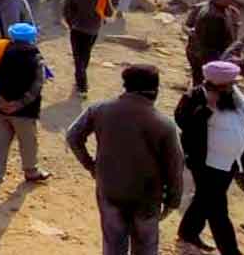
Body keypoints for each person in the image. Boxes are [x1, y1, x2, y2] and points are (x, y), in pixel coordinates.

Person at [65, 65, 184, 255]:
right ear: (155, 90)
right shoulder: (164, 124)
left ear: (125, 86)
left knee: (113, 245)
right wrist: (173, 200)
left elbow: (73, 136)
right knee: (145, 248)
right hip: (147, 198)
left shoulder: (99, 109)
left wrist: (91, 166)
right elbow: (175, 166)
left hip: (110, 189)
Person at [174, 61, 244, 255]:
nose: (234, 85)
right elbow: (184, 122)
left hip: (230, 162)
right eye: (231, 83)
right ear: (218, 84)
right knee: (218, 210)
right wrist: (208, 109)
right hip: (207, 164)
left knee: (204, 200)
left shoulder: (233, 96)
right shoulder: (195, 96)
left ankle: (188, 233)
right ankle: (230, 251)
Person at [0, 22, 52, 192]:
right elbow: (37, 86)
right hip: (24, 112)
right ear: (32, 38)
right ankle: (31, 171)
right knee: (28, 143)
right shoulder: (36, 58)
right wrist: (18, 104)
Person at [62, 0, 108, 96]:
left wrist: (71, 23)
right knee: (85, 54)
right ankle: (80, 78)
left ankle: (82, 85)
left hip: (76, 29)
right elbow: (109, 12)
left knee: (78, 57)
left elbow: (65, 10)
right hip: (93, 30)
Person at [185, 0, 241, 86]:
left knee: (199, 83)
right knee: (207, 86)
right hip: (206, 57)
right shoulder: (213, 17)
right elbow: (216, 45)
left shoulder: (227, 10)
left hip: (198, 54)